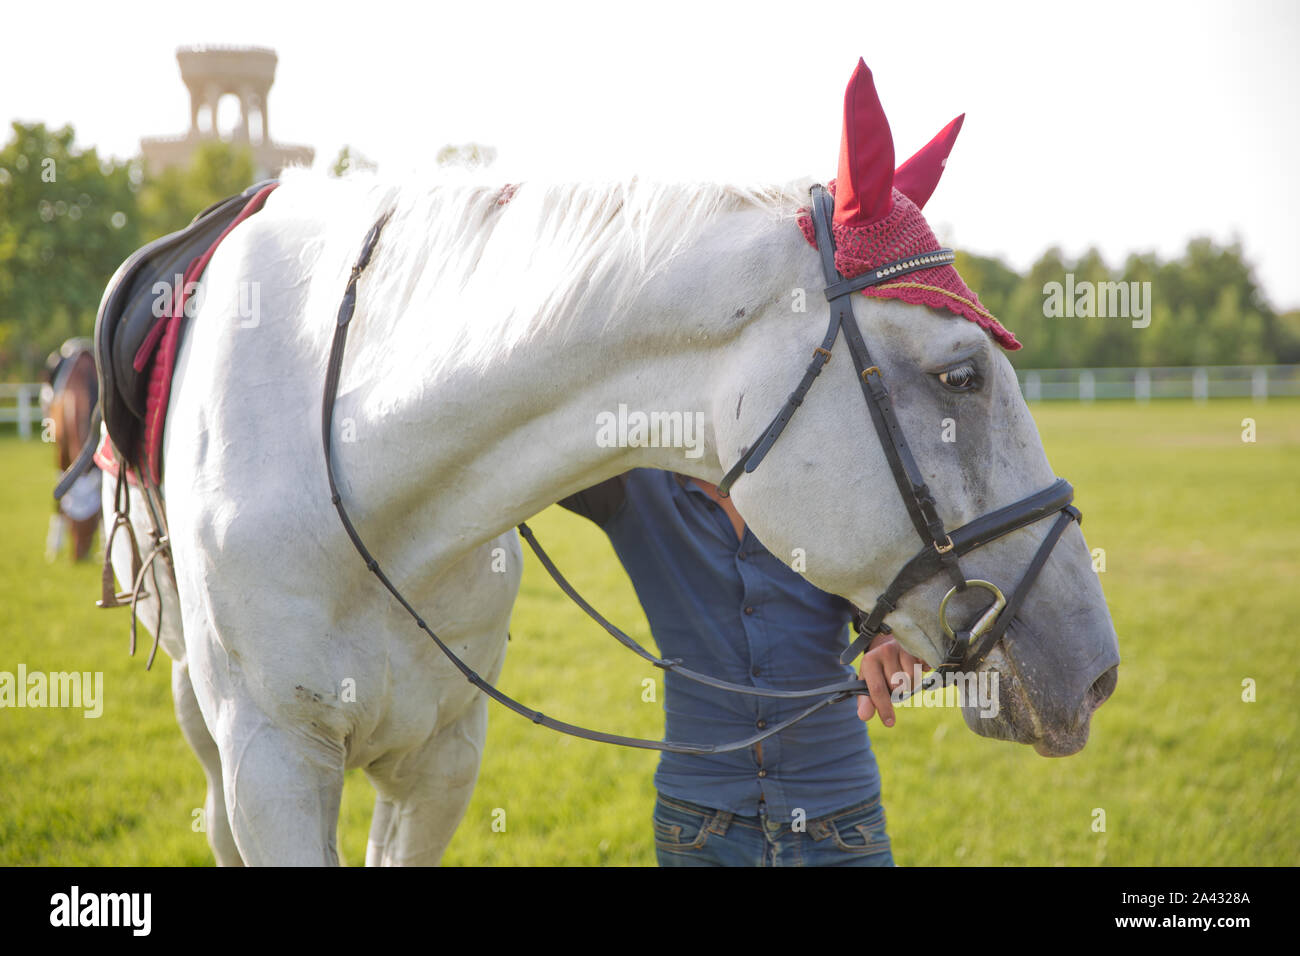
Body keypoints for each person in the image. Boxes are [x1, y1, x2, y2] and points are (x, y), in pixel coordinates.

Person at [559, 468, 926, 867]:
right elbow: (519, 446)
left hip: (839, 813)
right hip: (697, 824)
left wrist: (892, 640)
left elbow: (878, 606)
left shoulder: (821, 484)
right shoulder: (629, 485)